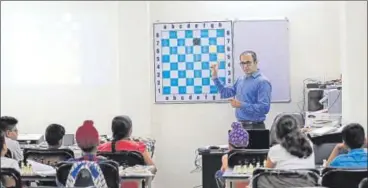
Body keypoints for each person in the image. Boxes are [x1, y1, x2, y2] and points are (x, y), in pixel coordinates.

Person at [211, 50, 272, 129]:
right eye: (242, 63)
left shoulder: (263, 82)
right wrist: (215, 77)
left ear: (256, 62)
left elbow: (264, 108)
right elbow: (225, 93)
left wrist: (241, 105)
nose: (245, 66)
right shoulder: (240, 80)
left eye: (248, 62)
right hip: (240, 125)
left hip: (255, 127)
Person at [215, 122, 249, 188]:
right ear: (247, 143)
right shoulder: (251, 157)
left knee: (218, 173)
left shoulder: (226, 157)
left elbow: (223, 172)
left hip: (231, 185)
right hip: (247, 185)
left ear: (230, 144)